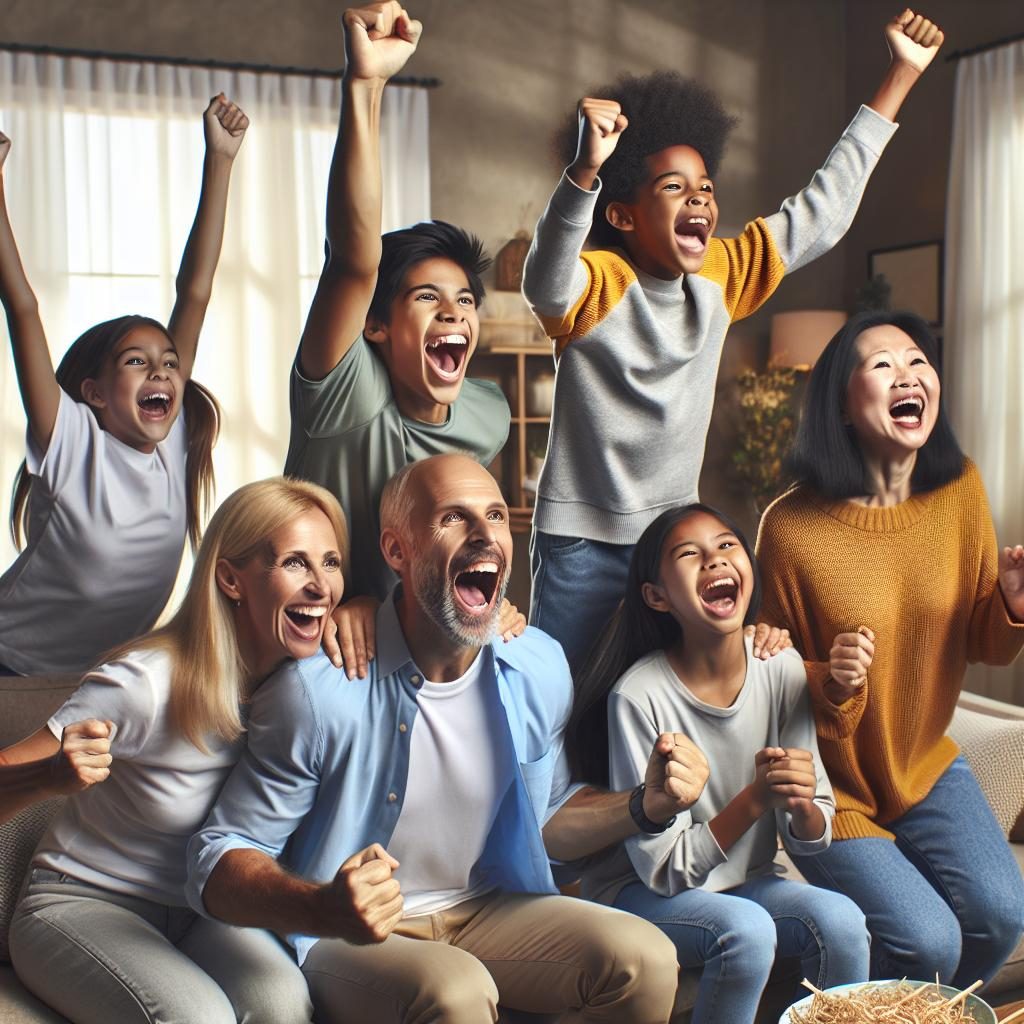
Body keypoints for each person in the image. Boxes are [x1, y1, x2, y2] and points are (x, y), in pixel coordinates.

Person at [186, 453, 693, 1024]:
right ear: (397, 551)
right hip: (346, 936)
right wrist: (323, 908)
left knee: (647, 959)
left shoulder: (539, 665)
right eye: (453, 518)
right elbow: (217, 855)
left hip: (486, 908)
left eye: (495, 516)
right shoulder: (316, 692)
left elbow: (548, 817)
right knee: (456, 991)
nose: (483, 535)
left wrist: (643, 805)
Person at [523, 9, 946, 671]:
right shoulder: (598, 281)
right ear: (621, 215)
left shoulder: (721, 273)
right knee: (561, 702)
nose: (699, 201)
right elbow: (546, 285)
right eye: (673, 188)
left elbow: (821, 212)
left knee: (665, 700)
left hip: (672, 545)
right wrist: (583, 171)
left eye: (706, 188)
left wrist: (899, 76)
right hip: (581, 542)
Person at [0, 476, 348, 1023]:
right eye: (295, 563)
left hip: (200, 909)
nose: (321, 586)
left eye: (330, 563)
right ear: (231, 579)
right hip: (81, 902)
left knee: (285, 1006)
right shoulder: (146, 683)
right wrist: (50, 774)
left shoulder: (304, 686)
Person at [755, 309, 1024, 987]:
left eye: (918, 360)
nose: (909, 374)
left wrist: (1014, 606)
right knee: (928, 942)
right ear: (842, 406)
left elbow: (984, 643)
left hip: (925, 768)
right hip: (830, 788)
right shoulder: (790, 528)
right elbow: (762, 671)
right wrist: (830, 678)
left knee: (1001, 915)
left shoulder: (959, 488)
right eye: (882, 364)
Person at [283, 3, 520, 676]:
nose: (455, 314)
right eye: (428, 299)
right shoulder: (345, 395)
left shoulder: (487, 415)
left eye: (465, 301)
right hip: (310, 629)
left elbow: (464, 541)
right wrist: (366, 86)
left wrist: (493, 605)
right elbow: (353, 262)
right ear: (376, 325)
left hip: (406, 639)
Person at [567, 503, 870, 1023]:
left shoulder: (782, 668)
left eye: (727, 544)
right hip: (640, 891)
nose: (714, 560)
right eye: (690, 554)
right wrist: (755, 799)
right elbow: (664, 871)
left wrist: (801, 807)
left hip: (743, 881)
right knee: (747, 932)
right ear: (657, 597)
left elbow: (812, 832)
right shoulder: (638, 697)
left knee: (843, 920)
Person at [0, 94, 248, 676]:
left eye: (168, 361)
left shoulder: (172, 439)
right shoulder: (70, 441)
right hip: (8, 669)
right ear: (93, 392)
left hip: (96, 677)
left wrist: (220, 159)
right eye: (137, 362)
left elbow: (196, 291)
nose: (162, 371)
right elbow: (22, 306)